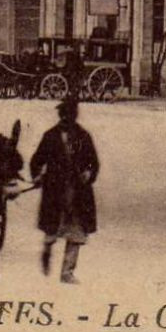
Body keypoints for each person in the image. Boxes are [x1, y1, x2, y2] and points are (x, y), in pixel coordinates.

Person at [31, 96, 100, 285]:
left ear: (75, 116)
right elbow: (37, 160)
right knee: (52, 229)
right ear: (61, 116)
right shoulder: (50, 136)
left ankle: (67, 272)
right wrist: (36, 175)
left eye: (71, 115)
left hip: (78, 191)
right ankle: (47, 250)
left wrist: (89, 173)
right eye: (65, 115)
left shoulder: (83, 136)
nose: (67, 118)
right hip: (55, 190)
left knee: (76, 232)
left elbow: (93, 162)